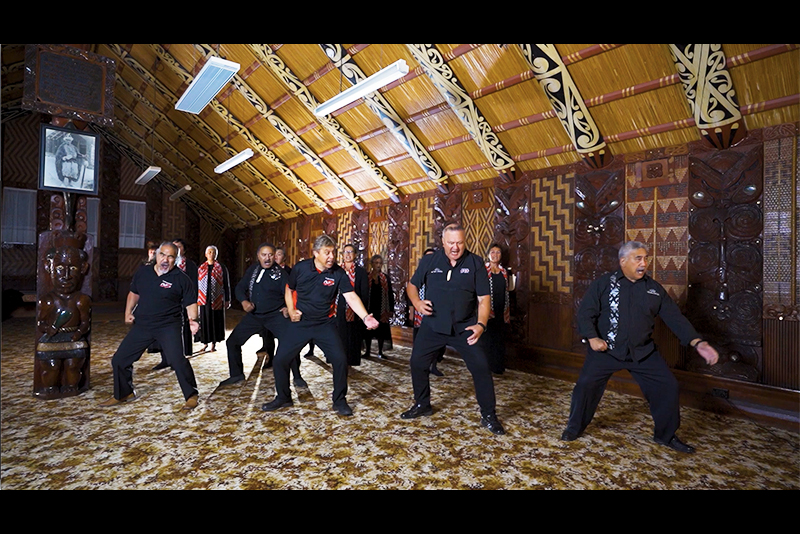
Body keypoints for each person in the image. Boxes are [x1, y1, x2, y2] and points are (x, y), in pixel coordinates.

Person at [561, 241, 720, 453]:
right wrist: (592, 338)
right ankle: (574, 427)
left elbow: (675, 318)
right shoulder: (603, 284)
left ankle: (665, 436)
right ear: (623, 261)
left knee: (668, 386)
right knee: (585, 386)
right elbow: (585, 313)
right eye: (638, 258)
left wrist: (697, 342)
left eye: (646, 258)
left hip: (642, 352)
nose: (644, 263)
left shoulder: (654, 290)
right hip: (606, 350)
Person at [403, 223, 505, 435]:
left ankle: (489, 415)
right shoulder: (430, 260)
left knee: (481, 367)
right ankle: (423, 404)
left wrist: (481, 324)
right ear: (443, 242)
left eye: (459, 242)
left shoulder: (475, 262)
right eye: (451, 243)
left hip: (464, 326)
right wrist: (417, 303)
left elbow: (484, 299)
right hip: (433, 325)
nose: (455, 247)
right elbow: (412, 286)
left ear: (464, 242)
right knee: (417, 363)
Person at [261, 234, 378, 417]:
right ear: (316, 253)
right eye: (327, 252)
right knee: (280, 360)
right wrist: (291, 310)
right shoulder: (301, 269)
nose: (331, 256)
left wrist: (365, 317)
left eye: (333, 252)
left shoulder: (338, 273)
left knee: (340, 360)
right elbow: (289, 289)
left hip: (325, 323)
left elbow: (351, 296)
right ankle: (283, 397)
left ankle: (339, 400)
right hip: (301, 323)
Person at [99, 242, 200, 410]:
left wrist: (193, 320)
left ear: (176, 259)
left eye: (170, 256)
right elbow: (134, 293)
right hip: (143, 325)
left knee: (177, 361)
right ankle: (124, 393)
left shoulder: (182, 279)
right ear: (156, 256)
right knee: (119, 359)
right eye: (163, 255)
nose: (165, 259)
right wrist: (128, 312)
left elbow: (191, 303)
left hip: (168, 325)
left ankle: (191, 395)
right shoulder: (143, 272)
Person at [221, 243, 305, 388]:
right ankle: (236, 375)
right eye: (264, 255)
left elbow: (291, 293)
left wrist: (287, 307)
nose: (267, 258)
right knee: (232, 342)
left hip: (275, 316)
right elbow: (240, 288)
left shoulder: (281, 274)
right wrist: (244, 301)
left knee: (290, 344)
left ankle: (297, 376)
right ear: (258, 256)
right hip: (255, 316)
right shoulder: (253, 269)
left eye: (270, 255)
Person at [152, 238, 197, 370]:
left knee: (177, 334)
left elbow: (193, 284)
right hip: (166, 304)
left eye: (178, 247)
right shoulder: (163, 264)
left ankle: (177, 360)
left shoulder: (190, 265)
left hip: (183, 304)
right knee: (162, 332)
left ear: (183, 250)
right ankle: (165, 359)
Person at [481, 243, 515, 375]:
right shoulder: (483, 270)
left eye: (498, 252)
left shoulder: (504, 272)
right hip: (487, 310)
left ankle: (498, 366)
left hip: (501, 309)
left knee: (499, 339)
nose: (495, 255)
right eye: (493, 252)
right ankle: (486, 367)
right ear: (488, 254)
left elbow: (508, 290)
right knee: (487, 339)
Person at [411, 248, 445, 376]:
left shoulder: (439, 274)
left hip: (435, 314)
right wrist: (412, 308)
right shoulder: (418, 274)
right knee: (419, 341)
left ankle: (434, 365)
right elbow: (411, 291)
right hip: (419, 314)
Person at [337, 244, 370, 367]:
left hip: (355, 309)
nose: (348, 254)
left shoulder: (360, 272)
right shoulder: (337, 270)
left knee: (354, 335)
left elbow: (364, 292)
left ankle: (353, 360)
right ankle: (339, 360)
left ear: (355, 255)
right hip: (339, 308)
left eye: (350, 252)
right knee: (340, 335)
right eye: (345, 252)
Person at [259, 246, 291, 366]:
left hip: (283, 310)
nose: (275, 257)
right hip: (268, 310)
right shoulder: (265, 270)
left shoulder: (289, 272)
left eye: (278, 254)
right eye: (274, 254)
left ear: (284, 257)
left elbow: (292, 291)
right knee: (267, 336)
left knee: (284, 338)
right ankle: (270, 358)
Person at [197, 245, 231, 353]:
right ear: (206, 254)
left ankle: (213, 344)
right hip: (204, 298)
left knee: (215, 321)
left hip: (217, 299)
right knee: (205, 321)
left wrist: (227, 299)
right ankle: (205, 343)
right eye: (209, 252)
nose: (211, 254)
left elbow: (226, 284)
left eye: (213, 252)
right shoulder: (201, 268)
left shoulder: (221, 268)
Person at [363, 254, 394, 359]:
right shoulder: (366, 277)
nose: (378, 265)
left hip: (382, 308)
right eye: (376, 263)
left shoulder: (385, 278)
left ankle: (380, 351)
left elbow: (390, 294)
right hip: (369, 307)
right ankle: (367, 351)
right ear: (372, 264)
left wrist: (390, 309)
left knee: (381, 330)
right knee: (368, 331)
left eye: (380, 263)